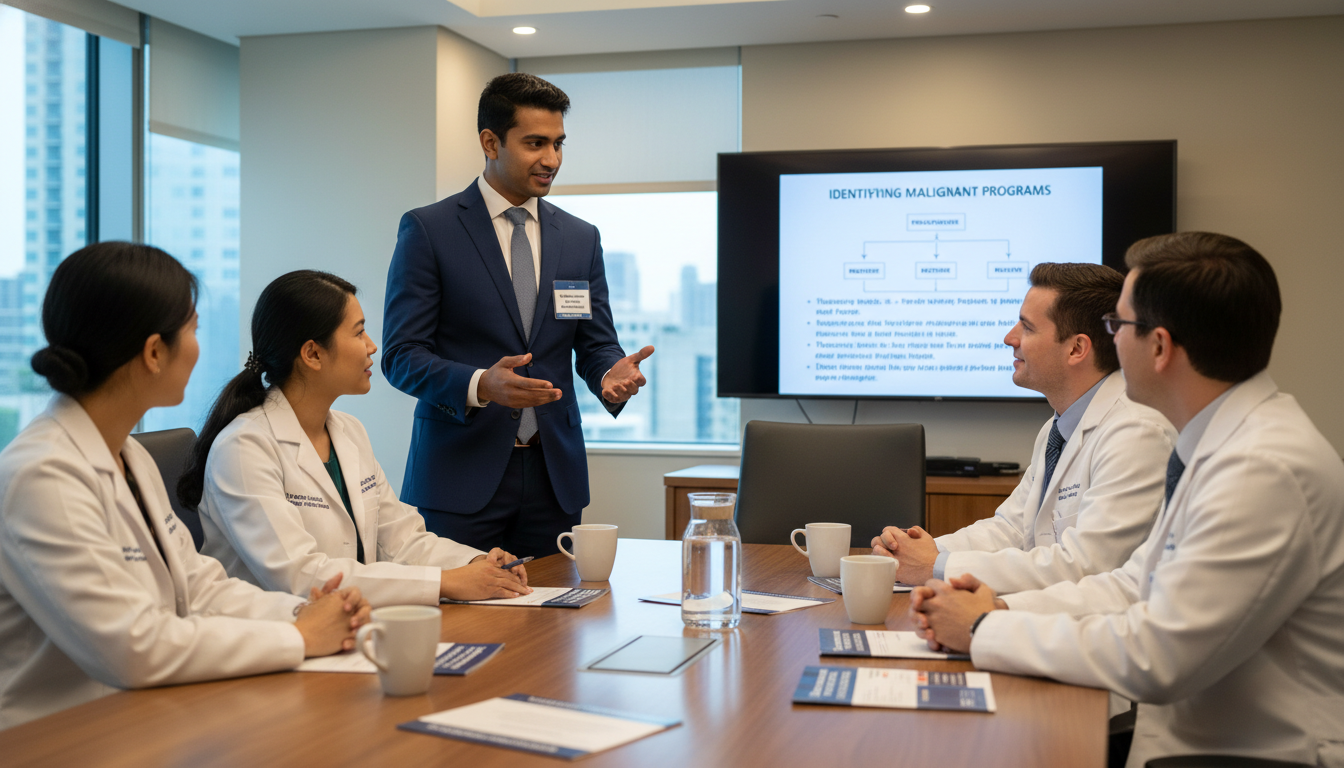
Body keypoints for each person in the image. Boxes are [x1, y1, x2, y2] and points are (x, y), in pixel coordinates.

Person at [909, 233, 1344, 767]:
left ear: (1159, 346)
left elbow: (1158, 655)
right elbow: (1134, 583)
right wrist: (995, 605)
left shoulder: (1261, 467)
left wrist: (984, 627)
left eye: (1118, 327)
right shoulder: (1221, 442)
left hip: (1263, 756)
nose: (1110, 342)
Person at [0, 243, 370, 731]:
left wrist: (304, 610)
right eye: (193, 329)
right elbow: (133, 647)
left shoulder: (128, 455)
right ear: (155, 352)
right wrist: (300, 637)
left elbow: (197, 586)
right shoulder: (41, 474)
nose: (199, 346)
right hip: (61, 736)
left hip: (141, 718)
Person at [382, 72, 652, 556]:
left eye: (558, 144)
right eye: (535, 143)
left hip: (555, 479)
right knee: (465, 623)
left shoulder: (580, 237)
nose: (551, 159)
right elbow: (401, 357)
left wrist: (611, 371)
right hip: (458, 478)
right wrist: (482, 384)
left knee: (557, 626)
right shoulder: (430, 230)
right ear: (490, 141)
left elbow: (594, 342)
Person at [181, 271, 532, 607]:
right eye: (359, 332)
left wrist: (474, 563)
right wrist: (444, 583)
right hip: (269, 641)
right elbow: (301, 577)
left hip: (345, 629)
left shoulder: (349, 431)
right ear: (313, 354)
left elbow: (402, 541)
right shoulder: (244, 448)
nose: (372, 346)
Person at [873, 262, 1175, 594]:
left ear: (1077, 348)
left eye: (1027, 328)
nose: (1009, 338)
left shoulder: (1137, 433)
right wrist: (914, 552)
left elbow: (1086, 564)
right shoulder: (1057, 427)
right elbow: (1012, 529)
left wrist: (934, 565)